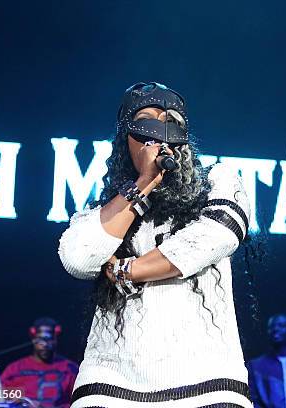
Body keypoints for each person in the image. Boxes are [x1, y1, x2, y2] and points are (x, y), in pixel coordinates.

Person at [58, 82, 252, 407]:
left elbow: (218, 234)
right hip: (109, 388)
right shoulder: (100, 211)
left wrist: (127, 271)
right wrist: (143, 183)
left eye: (171, 120)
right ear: (126, 137)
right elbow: (79, 259)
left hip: (207, 387)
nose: (159, 131)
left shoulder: (218, 181)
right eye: (145, 119)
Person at [0, 317, 78, 408]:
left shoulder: (69, 368)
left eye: (49, 339)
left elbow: (79, 401)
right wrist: (17, 400)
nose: (44, 345)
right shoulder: (15, 369)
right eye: (40, 339)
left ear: (56, 339)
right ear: (33, 339)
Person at [247, 314, 286, 408]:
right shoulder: (255, 366)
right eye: (271, 327)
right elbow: (253, 400)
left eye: (281, 325)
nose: (275, 329)